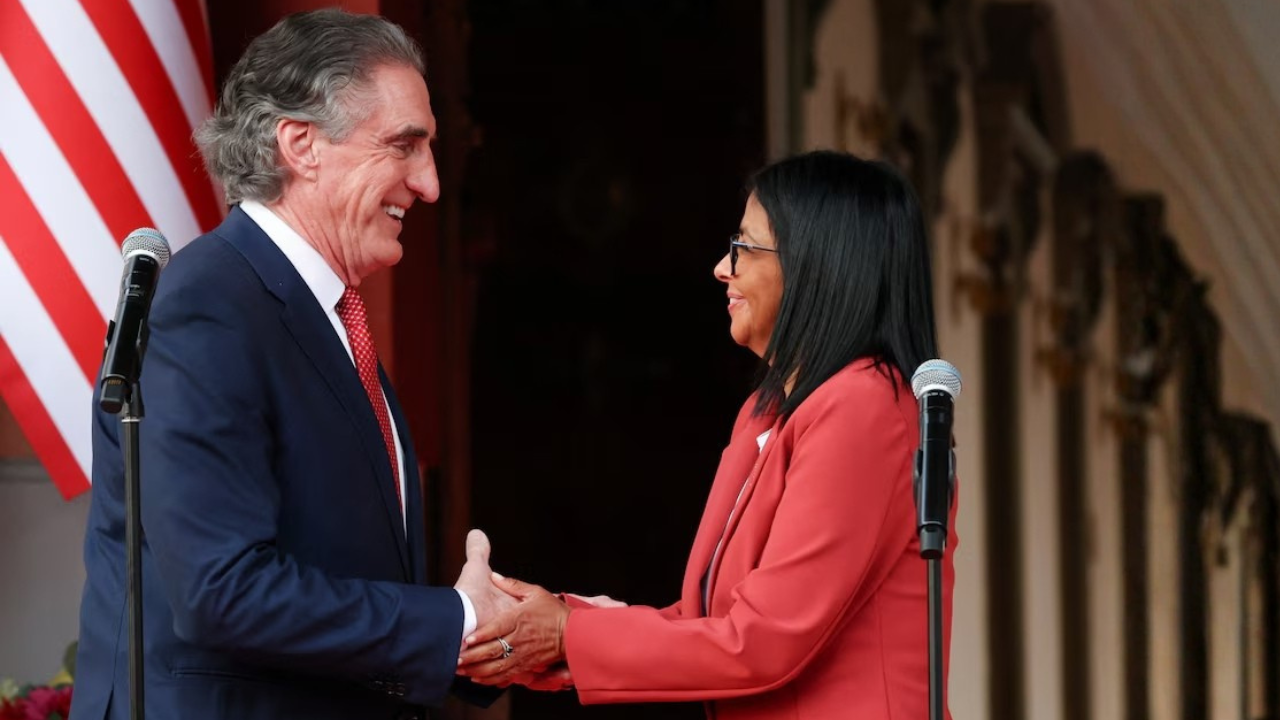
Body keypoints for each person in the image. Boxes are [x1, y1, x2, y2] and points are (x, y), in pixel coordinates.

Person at [72, 10, 511, 720]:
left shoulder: (324, 312)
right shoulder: (208, 305)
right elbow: (224, 592)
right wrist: (456, 623)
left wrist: (488, 636)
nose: (429, 183)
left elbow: (342, 567)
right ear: (301, 145)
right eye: (405, 146)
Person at [457, 150, 958, 720]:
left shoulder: (865, 404)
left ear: (817, 265)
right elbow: (709, 625)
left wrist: (568, 633)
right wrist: (551, 623)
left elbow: (763, 640)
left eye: (744, 247)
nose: (723, 267)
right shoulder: (768, 412)